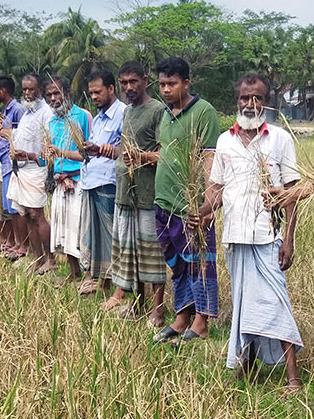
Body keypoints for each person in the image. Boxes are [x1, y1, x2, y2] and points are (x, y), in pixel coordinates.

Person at [200, 73, 303, 389]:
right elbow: (216, 191)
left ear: (266, 102)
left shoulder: (280, 139)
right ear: (238, 101)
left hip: (268, 237)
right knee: (244, 304)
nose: (250, 103)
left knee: (276, 303)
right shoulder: (224, 140)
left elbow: (292, 192)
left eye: (257, 98)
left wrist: (289, 238)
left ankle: (293, 378)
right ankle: (244, 366)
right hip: (235, 236)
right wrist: (200, 213)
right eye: (245, 98)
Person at [151, 56, 220, 343]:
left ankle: (201, 321)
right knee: (177, 264)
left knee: (199, 263)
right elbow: (162, 152)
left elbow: (209, 159)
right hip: (164, 202)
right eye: (162, 84)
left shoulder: (204, 112)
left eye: (172, 83)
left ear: (186, 83)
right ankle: (182, 316)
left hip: (188, 206)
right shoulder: (165, 114)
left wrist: (207, 205)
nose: (166, 90)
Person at [101, 61, 167, 326]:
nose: (128, 87)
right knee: (132, 253)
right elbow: (125, 151)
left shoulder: (158, 110)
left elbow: (165, 154)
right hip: (125, 196)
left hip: (148, 197)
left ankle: (158, 311)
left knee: (152, 254)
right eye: (124, 82)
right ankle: (138, 305)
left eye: (133, 81)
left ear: (145, 80)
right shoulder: (127, 112)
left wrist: (140, 157)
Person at [77, 69, 125, 295]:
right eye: (91, 93)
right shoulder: (96, 120)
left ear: (111, 89)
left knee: (112, 237)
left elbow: (128, 152)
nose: (94, 97)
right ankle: (102, 282)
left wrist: (108, 151)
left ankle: (119, 288)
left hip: (109, 183)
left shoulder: (123, 114)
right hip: (91, 182)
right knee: (97, 238)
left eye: (98, 92)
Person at [4, 74, 54, 273]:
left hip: (37, 169)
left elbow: (49, 147)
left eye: (31, 89)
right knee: (26, 215)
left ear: (39, 89)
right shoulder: (27, 112)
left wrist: (30, 155)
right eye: (24, 89)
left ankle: (51, 259)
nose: (27, 93)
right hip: (21, 171)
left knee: (37, 215)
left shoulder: (46, 113)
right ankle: (38, 258)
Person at [44, 75, 91, 285]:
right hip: (60, 182)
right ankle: (73, 273)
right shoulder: (52, 121)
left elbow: (88, 154)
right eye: (49, 95)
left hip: (79, 181)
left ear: (67, 93)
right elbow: (51, 153)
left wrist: (60, 153)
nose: (54, 98)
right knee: (63, 229)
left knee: (80, 229)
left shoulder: (82, 116)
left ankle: (90, 275)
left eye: (57, 93)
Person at [0, 76, 24, 254]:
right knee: (9, 208)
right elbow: (7, 135)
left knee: (16, 208)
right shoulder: (5, 112)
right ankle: (16, 244)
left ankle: (22, 245)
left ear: (4, 91)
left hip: (13, 164)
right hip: (4, 163)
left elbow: (21, 134)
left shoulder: (17, 109)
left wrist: (5, 132)